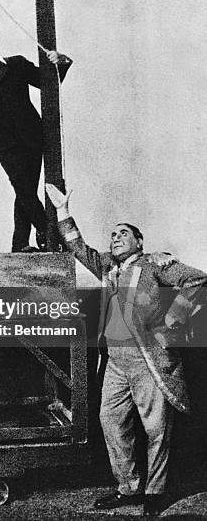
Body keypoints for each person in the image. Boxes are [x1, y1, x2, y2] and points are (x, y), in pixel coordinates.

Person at [46, 184, 207, 517]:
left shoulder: (155, 264)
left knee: (156, 429)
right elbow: (77, 246)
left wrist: (172, 322)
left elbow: (197, 280)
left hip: (149, 360)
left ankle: (156, 492)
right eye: (112, 235)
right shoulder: (107, 266)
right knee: (111, 420)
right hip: (116, 362)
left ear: (140, 242)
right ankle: (128, 487)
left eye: (124, 233)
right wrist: (63, 210)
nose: (115, 238)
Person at [0, 25, 72, 252]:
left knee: (26, 191)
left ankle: (20, 244)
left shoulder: (17, 64)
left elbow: (48, 82)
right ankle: (47, 231)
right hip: (4, 142)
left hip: (32, 134)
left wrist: (59, 61)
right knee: (22, 187)